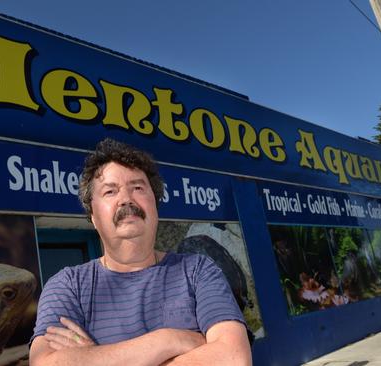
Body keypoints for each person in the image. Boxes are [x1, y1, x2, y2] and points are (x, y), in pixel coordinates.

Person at [29, 138, 252, 366]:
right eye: (110, 191)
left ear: (155, 206)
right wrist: (169, 339)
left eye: (137, 188)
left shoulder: (198, 271)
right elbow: (47, 363)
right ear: (93, 217)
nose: (126, 199)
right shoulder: (67, 286)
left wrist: (98, 357)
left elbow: (233, 358)